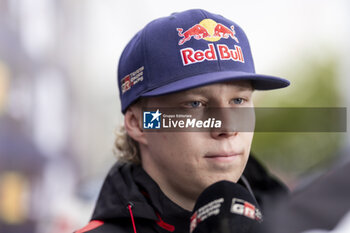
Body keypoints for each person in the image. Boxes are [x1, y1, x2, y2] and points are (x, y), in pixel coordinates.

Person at [75, 9, 290, 233]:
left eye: (238, 100)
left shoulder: (296, 225)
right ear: (139, 124)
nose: (228, 127)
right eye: (195, 104)